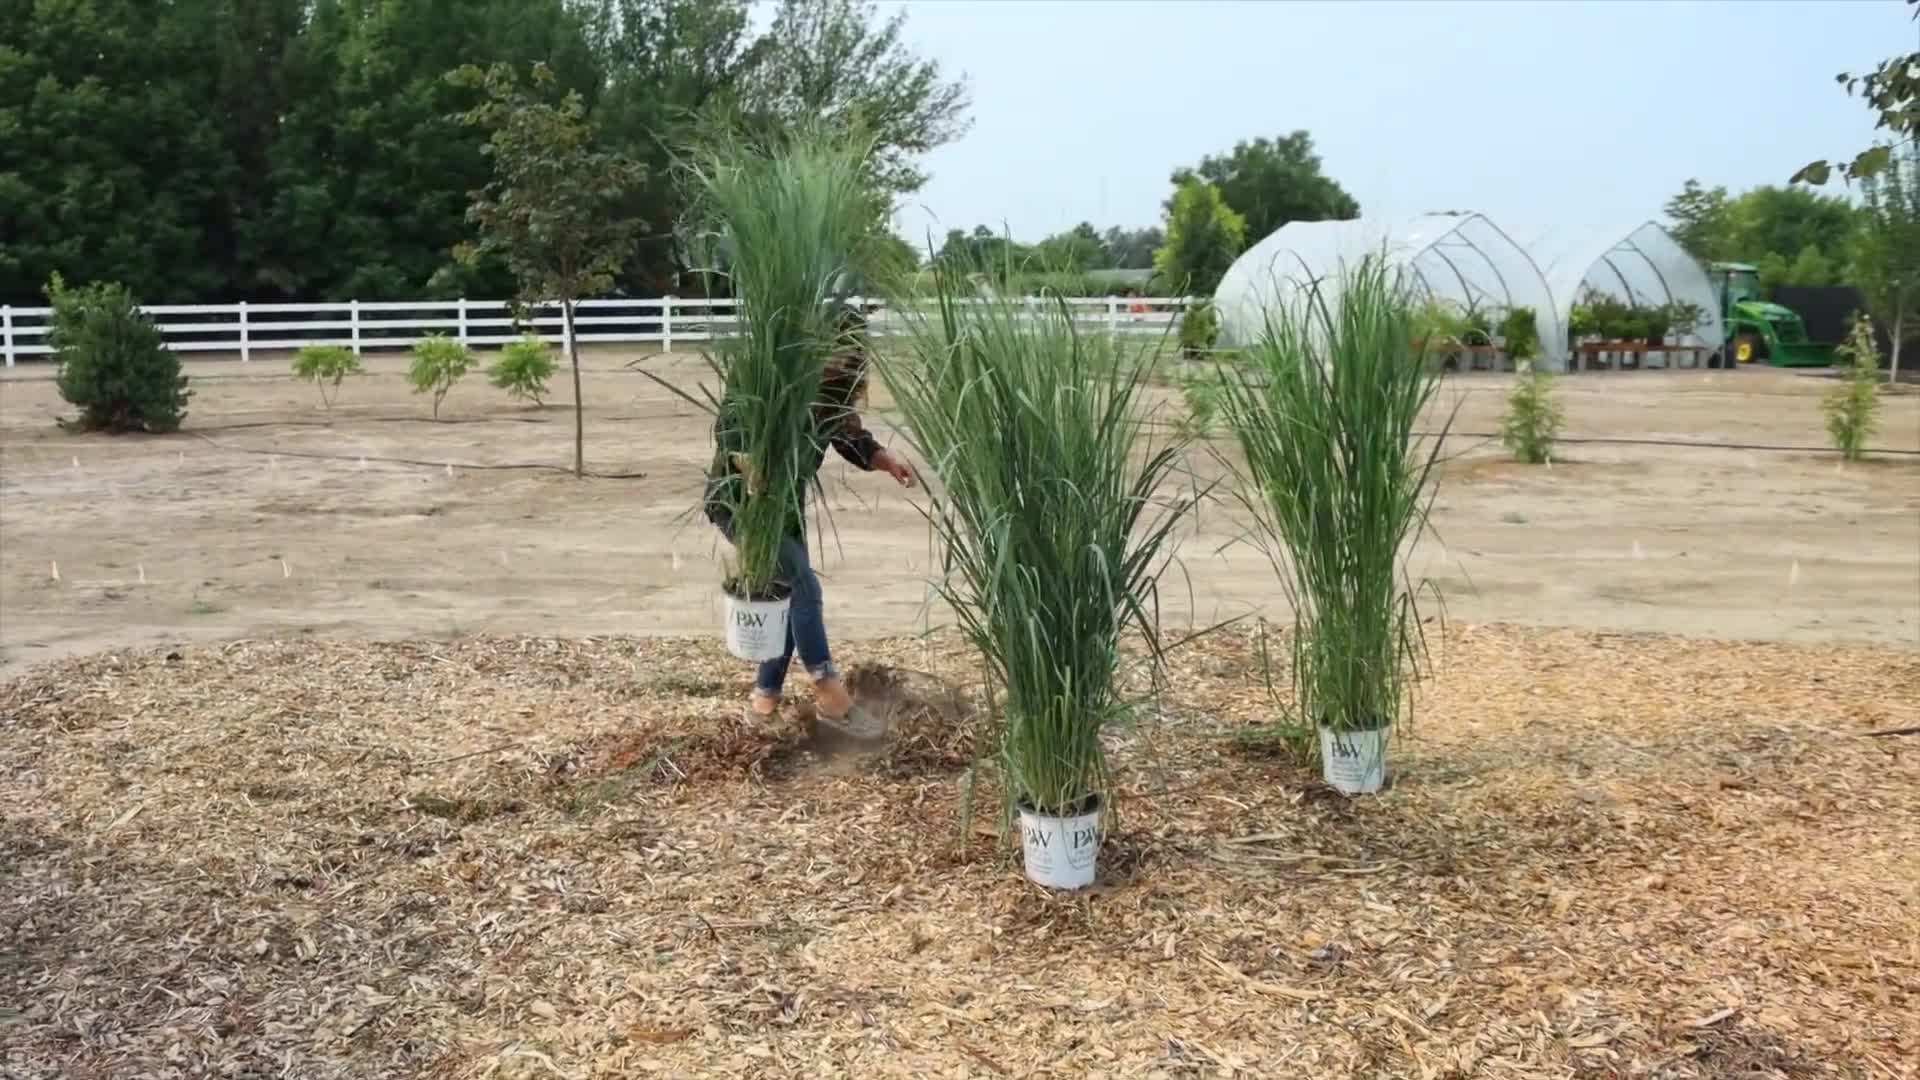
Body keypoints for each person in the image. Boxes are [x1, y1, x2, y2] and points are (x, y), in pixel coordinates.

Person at [703, 304, 915, 727]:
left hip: (785, 508)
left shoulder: (832, 390)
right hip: (739, 503)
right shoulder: (767, 371)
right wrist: (748, 460)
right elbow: (730, 424)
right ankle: (828, 689)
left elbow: (848, 435)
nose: (840, 358)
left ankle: (765, 699)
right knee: (803, 586)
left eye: (849, 350)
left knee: (788, 591)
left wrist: (882, 458)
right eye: (832, 346)